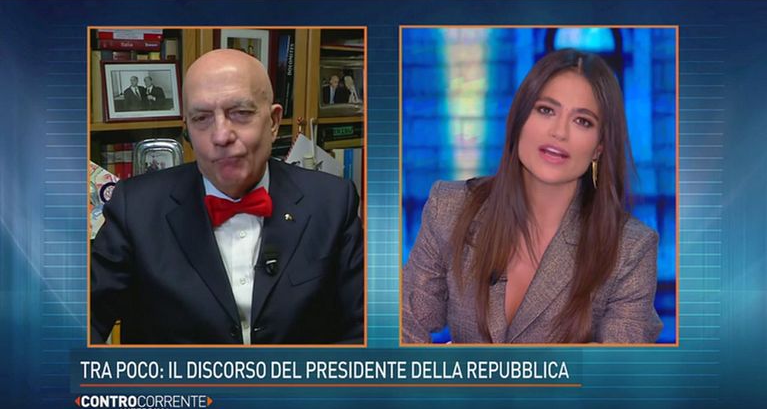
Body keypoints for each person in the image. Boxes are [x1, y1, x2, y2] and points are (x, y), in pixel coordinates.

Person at [91, 49, 364, 345]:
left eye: (241, 113)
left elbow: (364, 333)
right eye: (202, 118)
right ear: (187, 130)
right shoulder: (135, 207)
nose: (221, 136)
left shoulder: (333, 201)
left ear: (273, 122)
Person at [402, 49, 662, 344]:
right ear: (520, 118)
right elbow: (400, 323)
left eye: (582, 121)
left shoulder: (629, 249)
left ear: (599, 148)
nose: (559, 132)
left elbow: (618, 367)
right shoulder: (450, 208)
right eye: (546, 110)